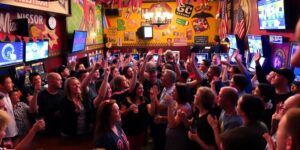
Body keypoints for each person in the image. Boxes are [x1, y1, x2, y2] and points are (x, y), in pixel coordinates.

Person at [121, 82, 150, 150]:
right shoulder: (127, 100)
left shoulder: (145, 100)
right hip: (129, 131)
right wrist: (129, 109)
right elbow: (121, 114)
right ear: (134, 89)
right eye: (140, 88)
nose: (142, 90)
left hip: (140, 131)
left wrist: (154, 99)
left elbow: (150, 112)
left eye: (142, 88)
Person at [165, 83, 192, 150]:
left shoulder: (184, 107)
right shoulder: (177, 102)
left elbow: (172, 124)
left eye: (174, 91)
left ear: (180, 93)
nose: (172, 92)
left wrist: (169, 105)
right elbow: (174, 118)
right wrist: (162, 118)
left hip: (178, 139)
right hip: (172, 138)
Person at [0, 75, 18, 142]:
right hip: (5, 137)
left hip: (13, 133)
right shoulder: (0, 99)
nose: (12, 84)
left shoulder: (7, 95)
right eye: (9, 83)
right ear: (1, 85)